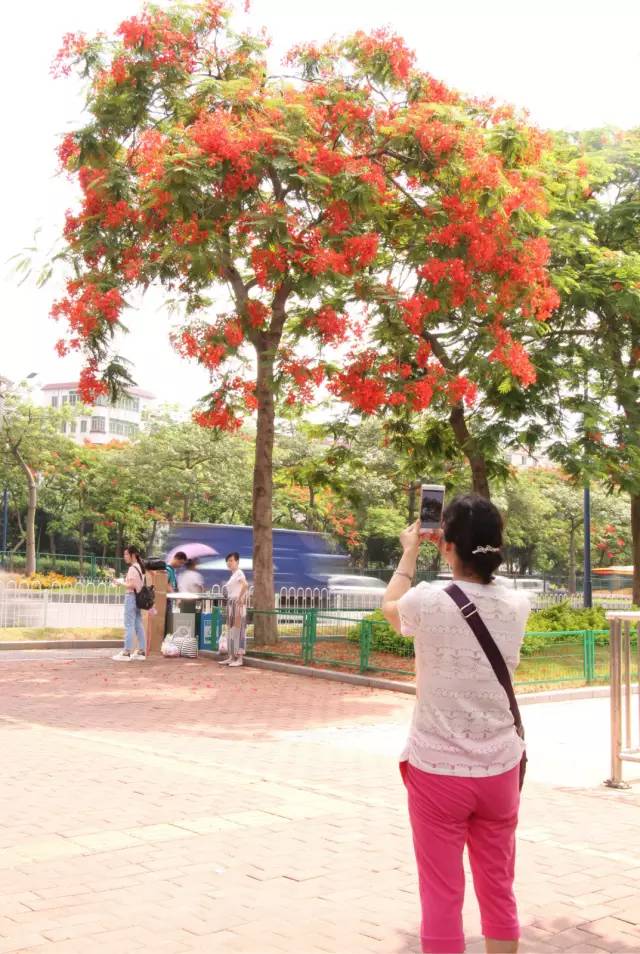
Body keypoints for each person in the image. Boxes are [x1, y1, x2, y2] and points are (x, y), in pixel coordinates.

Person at [381, 494, 530, 954]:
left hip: (438, 771)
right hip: (500, 770)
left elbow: (391, 605)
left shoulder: (427, 601)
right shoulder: (518, 604)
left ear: (445, 545)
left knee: (442, 895)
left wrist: (410, 550)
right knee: (498, 888)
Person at [113, 545, 148, 662]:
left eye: (126, 554)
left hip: (131, 597)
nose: (124, 557)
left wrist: (119, 583)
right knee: (138, 624)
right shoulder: (140, 567)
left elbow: (131, 586)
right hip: (137, 599)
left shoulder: (133, 568)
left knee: (129, 625)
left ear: (133, 555)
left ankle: (126, 652)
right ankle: (141, 651)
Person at [219, 551, 248, 668]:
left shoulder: (239, 573)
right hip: (231, 604)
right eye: (228, 561)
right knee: (231, 631)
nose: (229, 563)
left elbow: (245, 585)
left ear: (237, 561)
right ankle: (231, 656)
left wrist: (240, 598)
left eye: (231, 560)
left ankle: (239, 658)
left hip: (237, 605)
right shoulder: (233, 575)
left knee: (239, 631)